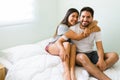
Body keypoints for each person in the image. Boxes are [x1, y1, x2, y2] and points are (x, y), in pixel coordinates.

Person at [57, 6, 119, 80]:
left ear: (92, 18)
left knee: (114, 55)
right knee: (82, 57)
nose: (85, 19)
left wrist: (101, 60)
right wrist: (61, 49)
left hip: (91, 53)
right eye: (83, 16)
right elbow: (61, 40)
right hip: (78, 55)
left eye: (88, 17)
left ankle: (93, 70)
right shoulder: (72, 29)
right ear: (79, 18)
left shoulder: (96, 29)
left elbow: (99, 47)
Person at [45, 8, 100, 80]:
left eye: (77, 17)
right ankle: (66, 72)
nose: (75, 19)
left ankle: (72, 72)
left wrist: (88, 28)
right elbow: (77, 37)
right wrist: (62, 49)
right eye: (73, 16)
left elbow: (95, 22)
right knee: (67, 44)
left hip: (65, 45)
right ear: (68, 16)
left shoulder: (75, 24)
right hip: (53, 45)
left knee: (73, 46)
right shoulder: (63, 26)